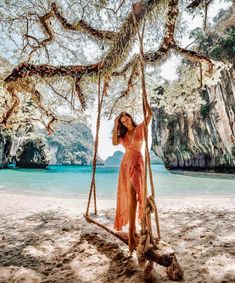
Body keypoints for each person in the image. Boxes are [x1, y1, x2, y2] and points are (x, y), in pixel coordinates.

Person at [112, 101, 152, 252]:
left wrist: (146, 103)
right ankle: (131, 232)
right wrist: (116, 124)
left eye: (126, 119)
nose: (125, 122)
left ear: (130, 117)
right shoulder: (122, 135)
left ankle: (136, 230)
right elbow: (114, 142)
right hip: (126, 164)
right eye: (122, 121)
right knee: (130, 195)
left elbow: (150, 115)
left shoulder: (140, 128)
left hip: (138, 163)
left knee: (138, 194)